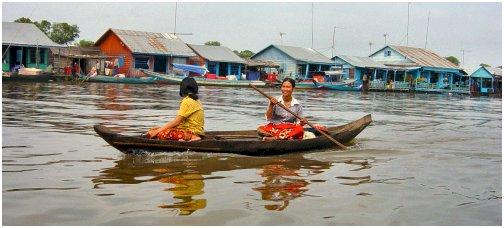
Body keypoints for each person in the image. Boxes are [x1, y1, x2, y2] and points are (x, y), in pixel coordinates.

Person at [146, 77, 204, 141]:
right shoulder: (197, 100)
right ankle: (190, 137)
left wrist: (157, 131)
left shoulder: (187, 101)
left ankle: (192, 137)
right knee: (153, 130)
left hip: (191, 132)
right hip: (195, 131)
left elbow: (176, 122)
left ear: (182, 89)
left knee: (160, 134)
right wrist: (158, 129)